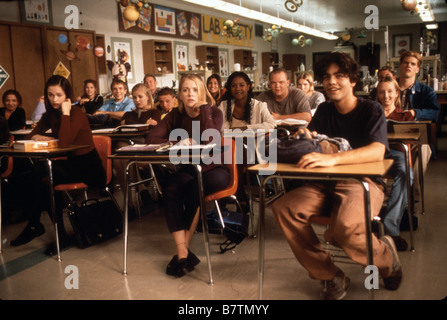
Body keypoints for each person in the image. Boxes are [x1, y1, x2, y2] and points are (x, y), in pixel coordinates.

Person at [271, 52, 402, 300]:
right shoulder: (323, 110)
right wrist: (305, 138)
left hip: (362, 183)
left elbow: (377, 150)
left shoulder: (371, 109)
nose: (331, 81)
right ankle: (330, 275)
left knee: (343, 231)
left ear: (353, 80)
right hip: (323, 184)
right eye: (327, 76)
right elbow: (312, 140)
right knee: (284, 208)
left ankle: (386, 259)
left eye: (339, 76)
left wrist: (332, 158)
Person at [9, 75, 106, 256]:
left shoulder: (76, 114)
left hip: (89, 168)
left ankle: (37, 225)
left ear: (67, 96)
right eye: (50, 95)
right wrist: (37, 136)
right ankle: (44, 228)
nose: (54, 100)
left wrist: (67, 112)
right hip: (71, 165)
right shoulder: (50, 115)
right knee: (36, 175)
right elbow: (31, 136)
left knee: (44, 178)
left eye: (59, 95)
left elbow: (65, 143)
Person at [145, 74, 229, 278]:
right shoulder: (175, 115)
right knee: (171, 189)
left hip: (216, 170)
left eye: (194, 89)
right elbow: (152, 137)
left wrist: (205, 110)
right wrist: (177, 143)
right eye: (185, 90)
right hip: (192, 169)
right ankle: (182, 251)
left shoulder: (214, 112)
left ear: (202, 92)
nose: (190, 94)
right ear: (179, 95)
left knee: (194, 189)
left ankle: (181, 254)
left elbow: (211, 139)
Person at [376, 76, 414, 251]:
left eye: (390, 91)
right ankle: (365, 223)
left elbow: (413, 139)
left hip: (397, 155)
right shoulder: (371, 113)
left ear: (396, 93)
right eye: (382, 92)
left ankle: (390, 228)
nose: (386, 96)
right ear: (377, 94)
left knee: (406, 173)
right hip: (375, 155)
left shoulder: (404, 115)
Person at [397, 50, 439, 122]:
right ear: (400, 66)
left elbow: (435, 113)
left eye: (413, 64)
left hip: (413, 128)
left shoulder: (426, 91)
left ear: (417, 69)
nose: (408, 65)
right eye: (406, 63)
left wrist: (416, 113)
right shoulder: (388, 88)